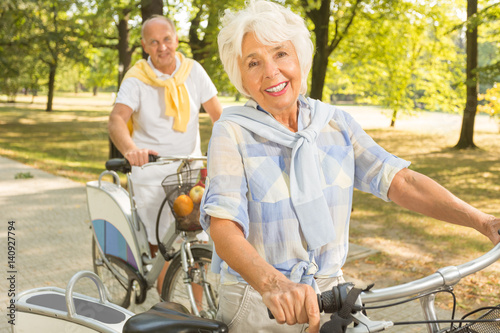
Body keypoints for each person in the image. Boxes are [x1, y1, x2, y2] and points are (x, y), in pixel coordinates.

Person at [199, 1, 500, 332]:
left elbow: (401, 182)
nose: (271, 71)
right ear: (240, 75)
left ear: (299, 57)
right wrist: (273, 284)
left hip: (333, 298)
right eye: (254, 62)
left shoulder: (335, 123)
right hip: (262, 304)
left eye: (280, 54)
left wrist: (485, 223)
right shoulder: (232, 131)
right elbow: (223, 226)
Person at [109, 15, 222, 291]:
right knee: (164, 249)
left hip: (190, 170)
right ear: (144, 46)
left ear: (176, 39)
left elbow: (219, 116)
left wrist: (231, 147)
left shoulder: (193, 71)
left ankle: (199, 314)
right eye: (154, 42)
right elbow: (116, 120)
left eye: (167, 39)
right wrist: (131, 150)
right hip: (151, 172)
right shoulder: (136, 78)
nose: (162, 47)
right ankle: (167, 312)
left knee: (197, 242)